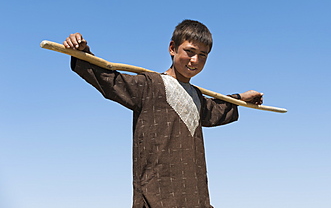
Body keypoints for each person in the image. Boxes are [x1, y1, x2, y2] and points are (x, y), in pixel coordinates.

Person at [63, 19, 263, 208]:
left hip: (196, 198)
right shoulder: (150, 85)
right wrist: (82, 53)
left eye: (203, 55)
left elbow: (215, 109)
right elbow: (110, 80)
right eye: (189, 51)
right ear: (172, 48)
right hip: (156, 197)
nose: (195, 60)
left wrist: (240, 98)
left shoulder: (197, 96)